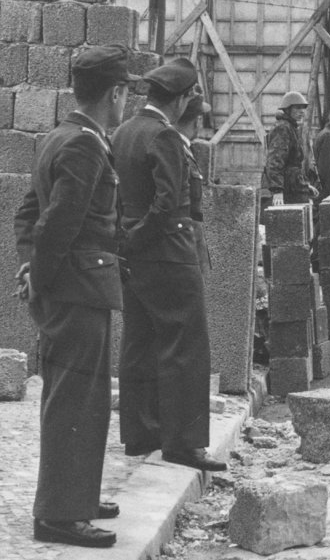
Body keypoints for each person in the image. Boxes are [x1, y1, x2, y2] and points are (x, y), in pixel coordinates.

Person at [13, 45, 138, 548]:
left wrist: (30, 267)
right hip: (77, 291)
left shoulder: (63, 137)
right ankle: (59, 516)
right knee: (73, 403)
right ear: (116, 93)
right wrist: (39, 277)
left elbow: (27, 213)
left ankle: (78, 496)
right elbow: (56, 221)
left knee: (84, 403)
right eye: (127, 91)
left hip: (75, 287)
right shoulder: (84, 145)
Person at [112, 58, 227, 473]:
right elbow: (165, 204)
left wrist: (124, 241)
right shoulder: (163, 135)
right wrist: (138, 239)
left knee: (139, 340)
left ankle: (140, 434)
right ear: (180, 100)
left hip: (134, 255)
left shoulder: (123, 131)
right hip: (167, 253)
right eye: (191, 97)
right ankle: (183, 443)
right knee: (185, 345)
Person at [174, 94, 212, 276]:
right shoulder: (176, 149)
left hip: (190, 249)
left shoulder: (184, 147)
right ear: (197, 120)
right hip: (185, 252)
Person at [262, 91, 315, 205]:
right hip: (286, 189)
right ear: (288, 109)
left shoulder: (291, 127)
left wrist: (305, 185)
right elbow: (275, 161)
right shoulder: (283, 128)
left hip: (292, 186)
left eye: (303, 108)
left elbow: (294, 165)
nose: (302, 111)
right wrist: (277, 190)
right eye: (297, 108)